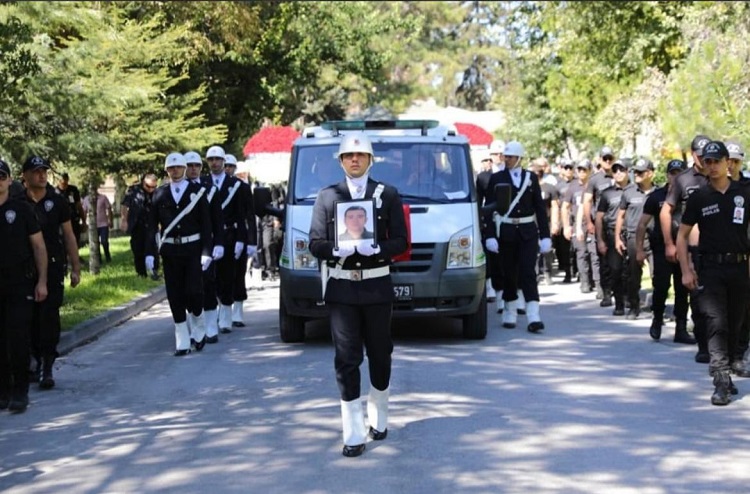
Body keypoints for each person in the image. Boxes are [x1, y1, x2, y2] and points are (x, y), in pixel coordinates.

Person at [308, 133, 407, 458]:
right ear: (341, 161)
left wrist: (377, 248)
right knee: (347, 359)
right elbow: (315, 242)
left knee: (380, 354)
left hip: (376, 286)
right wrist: (334, 249)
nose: (355, 159)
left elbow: (401, 241)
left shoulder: (387, 194)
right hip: (342, 289)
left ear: (370, 159)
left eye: (361, 155)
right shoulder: (327, 196)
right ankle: (352, 431)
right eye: (349, 156)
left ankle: (378, 416)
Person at [676, 140, 750, 405]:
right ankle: (720, 380)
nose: (712, 166)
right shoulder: (700, 197)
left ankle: (727, 371)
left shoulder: (744, 193)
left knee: (735, 322)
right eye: (707, 161)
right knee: (716, 322)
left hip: (740, 267)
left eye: (717, 160)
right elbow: (682, 236)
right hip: (711, 268)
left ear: (727, 162)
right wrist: (686, 270)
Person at [22, 156, 81, 390]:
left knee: (48, 317)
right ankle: (33, 361)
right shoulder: (17, 201)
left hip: (54, 266)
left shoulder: (57, 201)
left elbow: (69, 235)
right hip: (25, 268)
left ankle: (47, 365)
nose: (42, 175)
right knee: (28, 318)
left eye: (44, 171)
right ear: (25, 175)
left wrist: (76, 267)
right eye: (36, 171)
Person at [145, 153, 213, 356]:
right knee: (174, 294)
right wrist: (150, 253)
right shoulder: (159, 194)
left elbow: (206, 224)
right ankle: (182, 338)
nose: (175, 171)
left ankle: (198, 323)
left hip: (192, 249)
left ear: (184, 169)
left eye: (178, 167)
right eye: (171, 168)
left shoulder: (197, 191)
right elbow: (152, 226)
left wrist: (207, 252)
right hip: (170, 251)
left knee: (194, 292)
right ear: (167, 171)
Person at [482, 141, 551, 332]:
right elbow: (489, 208)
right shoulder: (497, 178)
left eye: (511, 157)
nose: (507, 160)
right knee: (509, 273)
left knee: (528, 272)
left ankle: (533, 315)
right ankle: (510, 310)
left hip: (527, 231)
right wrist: (490, 236)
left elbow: (539, 208)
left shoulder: (531, 178)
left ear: (519, 158)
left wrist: (545, 235)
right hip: (506, 231)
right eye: (506, 157)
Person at [0, 159, 48, 413]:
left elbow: (39, 247)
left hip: (19, 283)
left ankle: (20, 391)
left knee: (18, 338)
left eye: (2, 176)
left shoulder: (21, 210)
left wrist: (42, 281)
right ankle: (3, 392)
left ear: (9, 180)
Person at [661, 134, 711, 363]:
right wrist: (669, 243)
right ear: (693, 155)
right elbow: (666, 211)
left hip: (720, 245)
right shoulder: (683, 180)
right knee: (698, 298)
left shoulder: (720, 176)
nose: (705, 161)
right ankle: (704, 345)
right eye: (701, 156)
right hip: (692, 248)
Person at [636, 159, 693, 343]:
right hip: (661, 247)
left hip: (684, 247)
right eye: (672, 173)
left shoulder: (690, 195)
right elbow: (642, 224)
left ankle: (681, 328)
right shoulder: (657, 196)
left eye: (679, 173)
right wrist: (639, 249)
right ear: (667, 175)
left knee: (682, 289)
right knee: (661, 286)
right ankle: (657, 319)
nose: (675, 177)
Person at [204, 145, 248, 334]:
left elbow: (241, 214)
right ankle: (212, 313)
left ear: (224, 161)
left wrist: (242, 240)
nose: (214, 163)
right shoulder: (203, 183)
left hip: (229, 235)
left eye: (218, 160)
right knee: (209, 277)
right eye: (211, 160)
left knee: (227, 276)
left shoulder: (235, 184)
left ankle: (226, 316)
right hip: (209, 236)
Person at [185, 150, 224, 344]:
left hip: (205, 244)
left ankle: (210, 327)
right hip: (186, 244)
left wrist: (219, 243)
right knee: (189, 288)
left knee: (208, 284)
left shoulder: (210, 188)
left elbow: (217, 219)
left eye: (196, 166)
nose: (193, 169)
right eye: (189, 166)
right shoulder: (177, 189)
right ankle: (195, 328)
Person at [614, 158, 655, 319]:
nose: (636, 174)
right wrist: (617, 238)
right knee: (633, 275)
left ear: (650, 173)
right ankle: (633, 306)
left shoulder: (659, 192)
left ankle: (657, 309)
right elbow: (620, 216)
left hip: (654, 238)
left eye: (640, 172)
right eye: (635, 172)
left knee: (657, 275)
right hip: (633, 238)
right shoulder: (629, 192)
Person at [223, 154, 258, 328]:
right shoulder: (215, 186)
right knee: (221, 276)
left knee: (238, 274)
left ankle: (237, 313)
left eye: (231, 166)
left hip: (238, 235)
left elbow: (250, 215)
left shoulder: (242, 187)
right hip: (221, 236)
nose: (228, 169)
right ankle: (223, 312)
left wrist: (251, 241)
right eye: (226, 166)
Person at [595, 158, 630, 315]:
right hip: (611, 234)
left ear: (628, 171)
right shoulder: (607, 193)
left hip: (632, 234)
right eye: (615, 170)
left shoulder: (636, 191)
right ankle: (619, 304)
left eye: (621, 170)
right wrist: (600, 240)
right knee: (615, 270)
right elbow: (599, 218)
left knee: (631, 270)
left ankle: (631, 300)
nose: (618, 173)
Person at [582, 146, 616, 302]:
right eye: (605, 158)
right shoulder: (595, 179)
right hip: (601, 224)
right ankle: (606, 292)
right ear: (600, 160)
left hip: (619, 223)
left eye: (610, 158)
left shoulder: (620, 174)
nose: (608, 161)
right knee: (603, 259)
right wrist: (589, 222)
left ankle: (623, 293)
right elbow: (587, 201)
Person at [477, 140, 505, 310]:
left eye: (501, 154)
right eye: (495, 154)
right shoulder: (483, 177)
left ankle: (513, 294)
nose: (499, 156)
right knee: (492, 258)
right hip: (491, 220)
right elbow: (480, 202)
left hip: (509, 221)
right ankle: (494, 290)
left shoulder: (511, 174)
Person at [563, 159, 599, 294]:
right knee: (581, 253)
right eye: (579, 169)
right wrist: (566, 226)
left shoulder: (594, 184)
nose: (582, 172)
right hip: (578, 224)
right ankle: (585, 282)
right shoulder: (572, 187)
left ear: (590, 171)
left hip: (593, 223)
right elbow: (565, 207)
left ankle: (597, 282)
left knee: (594, 254)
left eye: (584, 169)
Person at [121, 173, 159, 279]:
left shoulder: (157, 192)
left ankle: (154, 271)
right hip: (136, 224)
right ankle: (141, 274)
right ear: (143, 182)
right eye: (148, 186)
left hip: (152, 224)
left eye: (153, 187)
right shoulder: (133, 190)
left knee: (152, 248)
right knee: (138, 249)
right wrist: (124, 220)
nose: (150, 189)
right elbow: (125, 205)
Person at [82, 187, 114, 263]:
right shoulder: (86, 199)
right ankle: (99, 259)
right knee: (95, 243)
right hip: (93, 225)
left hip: (103, 224)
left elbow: (109, 209)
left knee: (104, 241)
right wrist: (84, 222)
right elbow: (84, 211)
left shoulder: (103, 198)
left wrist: (110, 220)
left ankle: (107, 256)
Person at [55, 172, 85, 248]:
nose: (64, 183)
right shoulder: (54, 192)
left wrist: (84, 221)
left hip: (73, 219)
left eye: (66, 180)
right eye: (62, 181)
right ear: (58, 181)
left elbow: (79, 205)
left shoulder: (73, 190)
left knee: (75, 241)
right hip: (61, 222)